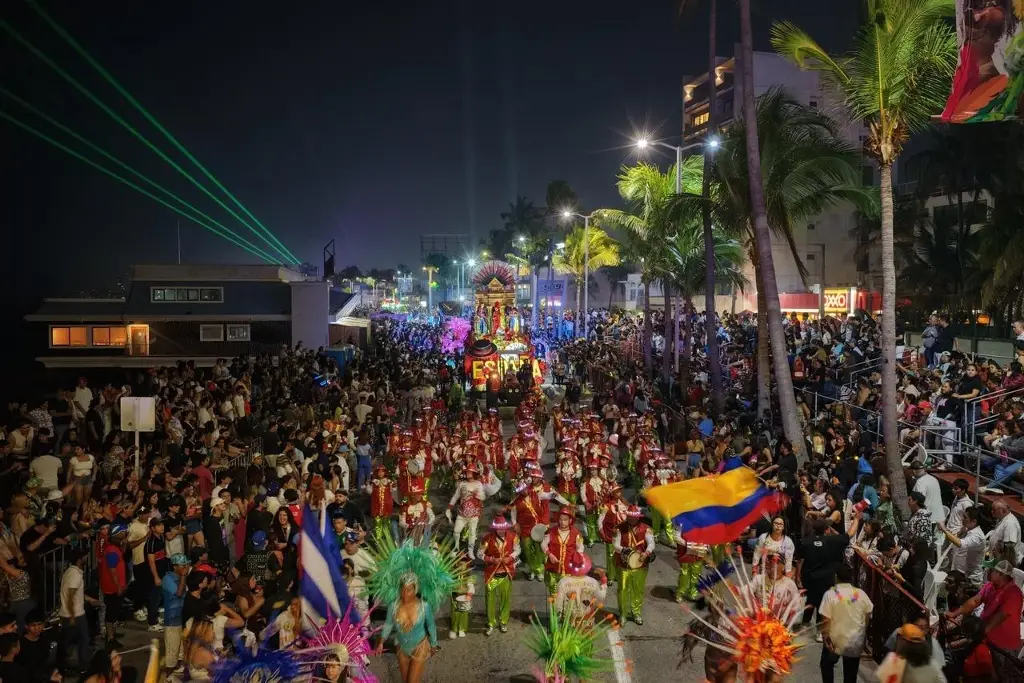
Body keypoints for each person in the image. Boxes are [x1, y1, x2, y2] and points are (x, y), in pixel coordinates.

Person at [945, 560, 1024, 653]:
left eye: (991, 571)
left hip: (1000, 640)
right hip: (984, 630)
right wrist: (954, 613)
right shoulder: (990, 586)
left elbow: (1001, 616)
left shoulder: (1013, 593)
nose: (987, 572)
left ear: (1001, 575)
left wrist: (983, 631)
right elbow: (975, 601)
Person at [376, 573, 438, 683]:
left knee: (412, 681)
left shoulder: (424, 606)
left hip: (420, 646)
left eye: (409, 590)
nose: (405, 593)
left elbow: (431, 625)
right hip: (401, 647)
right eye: (403, 589)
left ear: (415, 590)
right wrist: (381, 641)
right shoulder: (393, 606)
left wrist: (434, 644)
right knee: (405, 680)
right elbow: (389, 624)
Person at [819, 563, 873, 683]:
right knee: (851, 674)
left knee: (826, 665)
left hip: (835, 640)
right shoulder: (861, 594)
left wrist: (825, 636)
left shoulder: (830, 594)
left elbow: (826, 619)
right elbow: (868, 614)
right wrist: (863, 633)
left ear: (836, 577)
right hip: (855, 640)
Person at [613, 505, 654, 626]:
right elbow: (615, 545)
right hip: (623, 564)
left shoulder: (646, 529)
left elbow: (651, 543)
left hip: (640, 565)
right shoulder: (619, 528)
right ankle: (623, 614)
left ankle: (636, 613)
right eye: (629, 517)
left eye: (634, 517)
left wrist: (646, 552)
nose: (631, 519)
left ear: (638, 517)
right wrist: (626, 551)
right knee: (623, 590)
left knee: (638, 590)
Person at [479, 515, 519, 636]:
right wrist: (491, 559)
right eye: (498, 528)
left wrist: (510, 557)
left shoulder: (513, 537)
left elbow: (518, 550)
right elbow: (479, 553)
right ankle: (490, 622)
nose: (501, 531)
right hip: (492, 574)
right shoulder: (487, 539)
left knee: (505, 599)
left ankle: (503, 621)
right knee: (490, 600)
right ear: (495, 528)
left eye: (503, 528)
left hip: (506, 573)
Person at [541, 508, 585, 596]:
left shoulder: (576, 534)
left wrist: (576, 558)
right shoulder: (551, 532)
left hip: (568, 569)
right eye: (560, 519)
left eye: (565, 520)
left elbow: (580, 548)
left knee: (567, 594)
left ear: (570, 520)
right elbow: (543, 545)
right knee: (553, 594)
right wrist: (550, 555)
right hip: (553, 569)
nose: (562, 522)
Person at [939, 507, 986, 587]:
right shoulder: (967, 530)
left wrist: (944, 529)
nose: (962, 519)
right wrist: (960, 533)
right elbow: (954, 540)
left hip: (970, 579)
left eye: (965, 518)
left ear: (974, 521)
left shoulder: (977, 536)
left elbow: (961, 544)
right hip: (959, 572)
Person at [554, 551, 607, 618]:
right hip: (586, 617)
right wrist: (603, 581)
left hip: (568, 619)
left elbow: (558, 604)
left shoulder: (563, 582)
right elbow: (601, 597)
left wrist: (558, 618)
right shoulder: (593, 582)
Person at [162, 554, 191, 675]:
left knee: (180, 654)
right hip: (172, 621)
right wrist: (184, 576)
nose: (185, 567)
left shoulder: (181, 577)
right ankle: (167, 676)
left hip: (181, 619)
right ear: (175, 566)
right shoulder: (167, 579)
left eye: (186, 565)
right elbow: (179, 593)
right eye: (182, 565)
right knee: (171, 655)